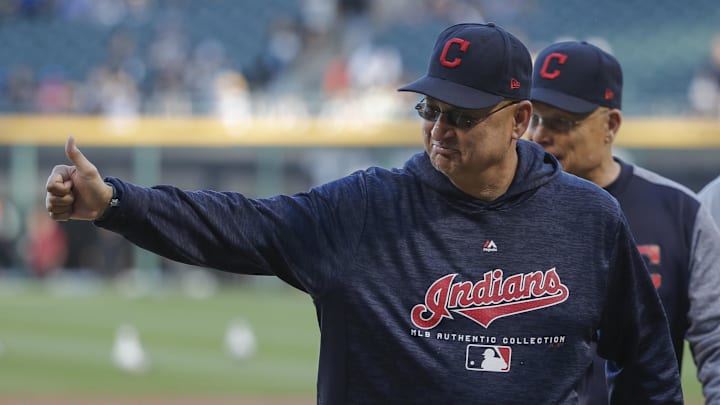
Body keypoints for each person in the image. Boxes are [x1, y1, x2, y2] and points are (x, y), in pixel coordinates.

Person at [45, 23, 683, 403]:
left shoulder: (589, 218)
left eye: (462, 117)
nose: (440, 131)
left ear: (519, 119)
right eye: (430, 111)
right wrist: (117, 204)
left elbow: (648, 361)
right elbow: (239, 224)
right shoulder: (364, 208)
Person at [528, 40, 720, 404]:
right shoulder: (502, 208)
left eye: (561, 122)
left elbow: (716, 340)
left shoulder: (679, 211)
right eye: (534, 118)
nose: (540, 136)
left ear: (611, 124)